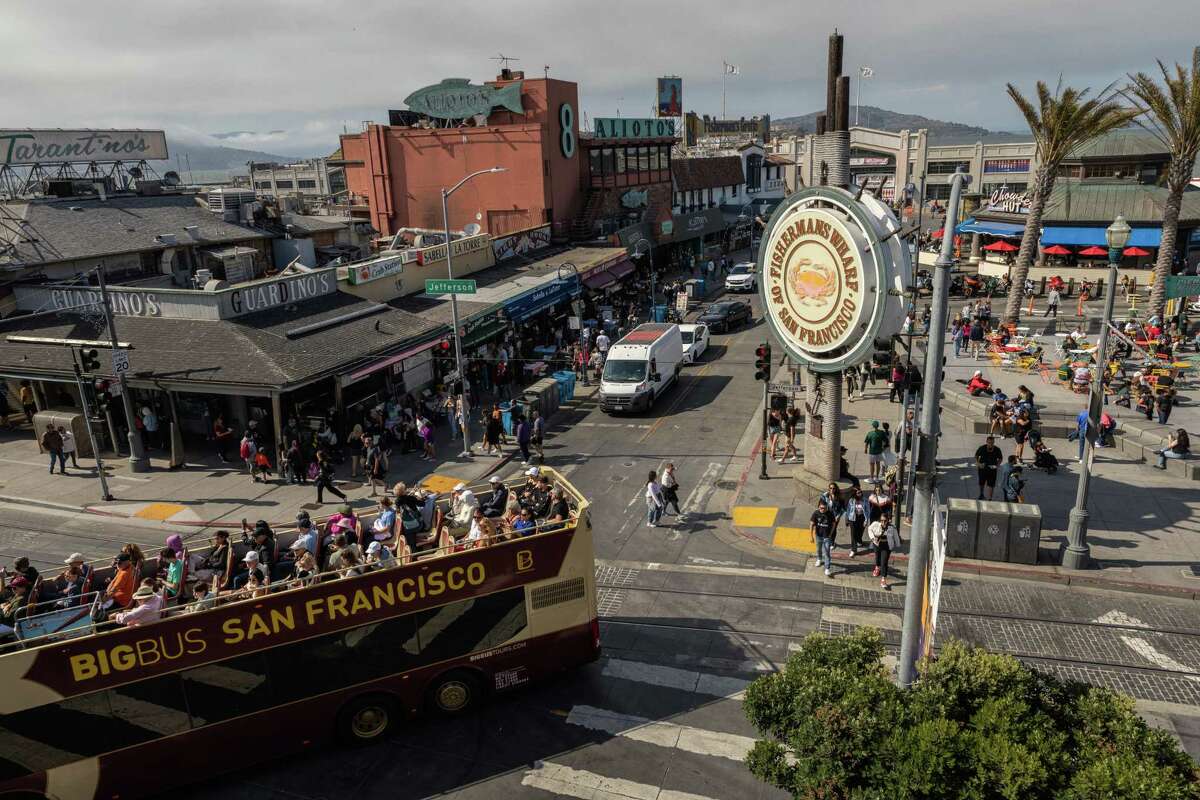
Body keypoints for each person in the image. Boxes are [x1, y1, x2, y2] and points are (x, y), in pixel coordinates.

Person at [868, 512, 899, 589]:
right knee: (877, 557)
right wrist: (872, 538)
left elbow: (896, 537)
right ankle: (877, 567)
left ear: (888, 520)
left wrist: (897, 545)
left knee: (884, 562)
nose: (883, 522)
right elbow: (869, 529)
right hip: (877, 544)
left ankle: (883, 579)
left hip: (886, 546)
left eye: (885, 520)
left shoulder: (892, 527)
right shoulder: (875, 524)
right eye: (882, 520)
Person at [810, 499, 836, 578]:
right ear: (818, 507)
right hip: (818, 535)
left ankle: (827, 568)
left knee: (827, 552)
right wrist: (811, 536)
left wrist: (831, 534)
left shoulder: (830, 514)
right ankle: (819, 559)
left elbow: (834, 524)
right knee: (818, 549)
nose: (823, 510)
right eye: (821, 508)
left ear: (827, 507)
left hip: (827, 537)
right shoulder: (816, 513)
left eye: (824, 508)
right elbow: (811, 524)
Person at [975, 436, 1003, 500]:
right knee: (981, 482)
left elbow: (1000, 458)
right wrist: (978, 463)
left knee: (991, 484)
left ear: (994, 442)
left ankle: (990, 498)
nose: (990, 444)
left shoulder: (997, 449)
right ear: (986, 442)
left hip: (992, 469)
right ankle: (981, 494)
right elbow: (976, 456)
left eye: (992, 443)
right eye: (989, 442)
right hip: (982, 468)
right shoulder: (982, 448)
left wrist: (997, 465)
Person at [842, 486, 868, 557]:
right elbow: (848, 510)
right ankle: (853, 550)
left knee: (860, 531)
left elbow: (867, 510)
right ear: (854, 494)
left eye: (860, 492)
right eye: (858, 493)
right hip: (853, 518)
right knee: (853, 534)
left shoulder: (865, 500)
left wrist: (866, 520)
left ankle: (859, 540)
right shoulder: (851, 500)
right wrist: (846, 519)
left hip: (862, 517)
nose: (860, 494)